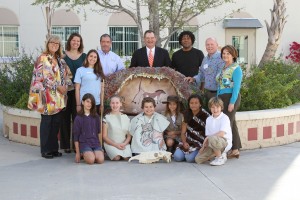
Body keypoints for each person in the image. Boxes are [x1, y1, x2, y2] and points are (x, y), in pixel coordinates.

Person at [28, 35, 68, 159]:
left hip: (58, 96)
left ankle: (54, 148)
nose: (54, 45)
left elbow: (67, 75)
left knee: (56, 122)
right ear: (48, 43)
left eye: (57, 43)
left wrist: (66, 86)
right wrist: (59, 87)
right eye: (52, 42)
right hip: (45, 95)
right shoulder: (43, 58)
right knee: (47, 122)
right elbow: (45, 77)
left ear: (59, 46)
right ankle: (45, 150)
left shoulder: (61, 60)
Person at [60, 33, 86, 154]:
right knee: (65, 118)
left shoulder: (84, 57)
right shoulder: (63, 56)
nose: (76, 43)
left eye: (78, 41)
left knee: (77, 118)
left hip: (79, 92)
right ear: (69, 41)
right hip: (66, 91)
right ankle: (65, 145)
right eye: (73, 40)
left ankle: (76, 145)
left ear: (80, 43)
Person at [216, 45, 243, 158]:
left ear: (233, 55)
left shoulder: (236, 68)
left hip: (231, 97)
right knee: (232, 123)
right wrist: (217, 99)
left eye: (228, 53)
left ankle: (224, 148)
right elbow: (220, 85)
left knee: (226, 124)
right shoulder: (223, 68)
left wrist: (232, 102)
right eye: (224, 53)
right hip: (221, 98)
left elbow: (236, 87)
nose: (225, 55)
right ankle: (235, 149)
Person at [185, 37, 224, 103]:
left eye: (212, 44)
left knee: (218, 113)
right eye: (207, 45)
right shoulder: (205, 59)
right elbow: (202, 74)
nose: (209, 46)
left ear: (217, 45)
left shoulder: (222, 57)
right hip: (208, 93)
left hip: (220, 93)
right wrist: (193, 79)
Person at [195, 97, 232, 166]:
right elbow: (208, 135)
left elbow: (221, 133)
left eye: (217, 107)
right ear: (210, 108)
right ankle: (220, 154)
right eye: (213, 107)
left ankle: (219, 157)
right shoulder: (209, 119)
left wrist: (208, 138)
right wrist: (203, 147)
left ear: (221, 107)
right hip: (213, 142)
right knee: (198, 159)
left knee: (212, 138)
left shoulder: (225, 118)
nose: (215, 110)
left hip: (224, 142)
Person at [173, 94, 210, 163]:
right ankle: (189, 153)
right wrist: (184, 142)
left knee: (189, 159)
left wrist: (205, 146)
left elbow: (209, 132)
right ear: (189, 104)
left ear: (200, 104)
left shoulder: (206, 115)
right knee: (177, 157)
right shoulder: (186, 113)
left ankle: (195, 153)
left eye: (196, 103)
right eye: (191, 103)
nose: (193, 105)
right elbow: (183, 132)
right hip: (188, 140)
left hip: (200, 142)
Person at [73, 93, 104, 164]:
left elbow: (99, 132)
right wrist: (77, 153)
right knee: (91, 160)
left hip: (95, 142)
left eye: (91, 102)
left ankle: (92, 153)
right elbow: (76, 136)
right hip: (84, 143)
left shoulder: (96, 117)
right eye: (87, 101)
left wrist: (100, 146)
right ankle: (83, 153)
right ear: (82, 102)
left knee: (100, 160)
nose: (89, 104)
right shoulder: (78, 118)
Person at [74, 49, 105, 115]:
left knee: (95, 124)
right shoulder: (80, 70)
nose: (92, 58)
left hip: (96, 103)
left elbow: (102, 90)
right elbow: (77, 89)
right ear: (87, 57)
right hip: (84, 103)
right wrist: (78, 105)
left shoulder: (99, 71)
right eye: (91, 56)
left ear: (97, 59)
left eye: (95, 57)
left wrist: (102, 104)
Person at [102, 95, 132, 161]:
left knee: (127, 158)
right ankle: (109, 152)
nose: (115, 105)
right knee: (116, 158)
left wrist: (124, 143)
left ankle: (123, 152)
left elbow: (129, 135)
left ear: (120, 104)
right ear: (110, 104)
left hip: (123, 143)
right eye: (113, 103)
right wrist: (116, 145)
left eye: (117, 103)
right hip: (111, 144)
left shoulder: (126, 117)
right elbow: (104, 136)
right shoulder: (106, 118)